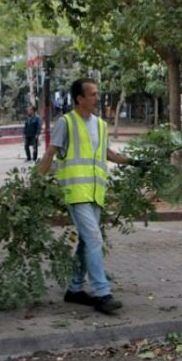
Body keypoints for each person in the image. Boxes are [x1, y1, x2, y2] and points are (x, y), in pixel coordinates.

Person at [36, 78, 142, 315]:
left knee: (86, 241)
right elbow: (50, 153)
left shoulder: (101, 125)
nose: (97, 98)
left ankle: (74, 289)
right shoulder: (66, 122)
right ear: (79, 99)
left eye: (97, 93)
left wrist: (135, 162)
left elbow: (108, 154)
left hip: (96, 192)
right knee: (94, 239)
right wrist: (35, 186)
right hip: (75, 192)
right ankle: (102, 293)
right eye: (93, 94)